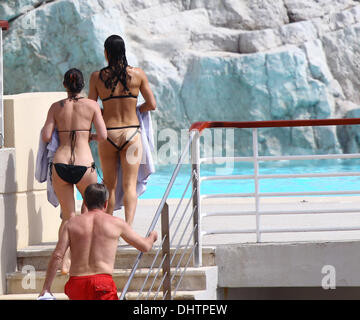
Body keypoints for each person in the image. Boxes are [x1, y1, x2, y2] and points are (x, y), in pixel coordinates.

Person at [38, 183, 158, 300]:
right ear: (105, 204)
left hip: (77, 283)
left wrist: (46, 288)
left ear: (85, 202)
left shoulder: (71, 224)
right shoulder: (116, 223)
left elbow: (58, 255)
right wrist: (152, 236)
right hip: (102, 283)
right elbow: (145, 246)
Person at [41, 68, 107, 274]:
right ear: (83, 86)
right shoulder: (92, 105)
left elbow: (45, 136)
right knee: (88, 213)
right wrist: (89, 137)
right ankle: (84, 258)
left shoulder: (55, 107)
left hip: (60, 165)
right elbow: (103, 135)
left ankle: (65, 261)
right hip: (84, 164)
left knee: (68, 217)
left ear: (64, 85)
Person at [88, 34, 156, 226]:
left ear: (106, 52)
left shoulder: (96, 77)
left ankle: (109, 228)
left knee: (109, 185)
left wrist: (106, 110)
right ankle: (127, 228)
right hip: (132, 134)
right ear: (124, 51)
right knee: (129, 186)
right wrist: (135, 109)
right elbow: (151, 104)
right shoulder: (138, 74)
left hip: (108, 135)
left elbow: (91, 108)